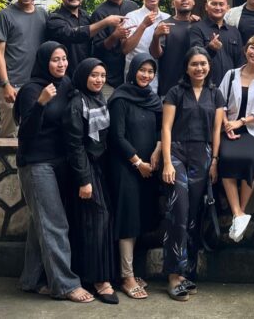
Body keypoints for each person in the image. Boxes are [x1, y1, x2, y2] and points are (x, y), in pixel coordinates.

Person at [13, 41, 94, 303]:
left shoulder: (66, 84)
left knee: (41, 223)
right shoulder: (31, 89)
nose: (61, 64)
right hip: (36, 163)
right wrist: (40, 103)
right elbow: (25, 133)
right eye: (55, 60)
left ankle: (32, 279)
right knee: (55, 223)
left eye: (64, 59)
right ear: (44, 62)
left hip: (59, 161)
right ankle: (65, 285)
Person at [161, 47, 225, 301]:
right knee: (178, 210)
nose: (199, 68)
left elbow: (217, 131)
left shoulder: (215, 94)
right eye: (194, 64)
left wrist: (215, 161)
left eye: (203, 64)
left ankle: (187, 272)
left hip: (203, 155)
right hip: (177, 153)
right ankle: (173, 275)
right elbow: (166, 128)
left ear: (209, 66)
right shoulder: (175, 92)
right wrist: (167, 162)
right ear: (186, 68)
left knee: (194, 216)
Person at [107, 53, 163, 300]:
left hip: (148, 168)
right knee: (127, 220)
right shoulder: (120, 98)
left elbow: (161, 129)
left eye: (151, 71)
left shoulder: (153, 99)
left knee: (141, 218)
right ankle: (127, 277)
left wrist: (157, 151)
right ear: (133, 71)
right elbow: (116, 136)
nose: (146, 75)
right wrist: (137, 162)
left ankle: (130, 272)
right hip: (125, 168)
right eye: (142, 70)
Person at [63, 58, 118, 304]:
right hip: (84, 171)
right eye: (94, 75)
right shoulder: (77, 103)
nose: (99, 80)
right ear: (84, 75)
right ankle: (99, 280)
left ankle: (99, 276)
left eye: (102, 75)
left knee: (100, 221)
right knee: (97, 220)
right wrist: (84, 180)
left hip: (99, 168)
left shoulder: (99, 99)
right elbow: (74, 145)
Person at [218, 35, 254, 242]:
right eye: (253, 47)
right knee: (225, 156)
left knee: (250, 158)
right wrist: (226, 123)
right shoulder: (231, 74)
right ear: (245, 50)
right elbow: (220, 103)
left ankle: (240, 212)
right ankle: (239, 214)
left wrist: (241, 122)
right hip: (229, 128)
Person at [0, 0, 47, 137]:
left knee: (37, 134)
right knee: (10, 136)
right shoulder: (5, 15)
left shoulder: (43, 14)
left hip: (37, 85)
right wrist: (6, 84)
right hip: (13, 85)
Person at [46, 0, 126, 76]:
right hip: (64, 76)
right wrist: (106, 22)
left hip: (87, 76)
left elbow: (96, 46)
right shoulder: (54, 18)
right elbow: (72, 35)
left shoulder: (85, 16)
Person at [91, 0, 139, 99]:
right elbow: (98, 48)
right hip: (109, 78)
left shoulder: (133, 7)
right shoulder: (99, 13)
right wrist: (115, 36)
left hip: (132, 73)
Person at [121, 0, 171, 93]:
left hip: (161, 79)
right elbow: (125, 49)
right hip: (135, 79)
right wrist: (143, 25)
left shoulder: (168, 18)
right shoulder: (131, 17)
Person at [151, 0, 196, 98]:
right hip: (169, 89)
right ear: (172, 3)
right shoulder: (165, 25)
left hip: (196, 89)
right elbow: (156, 54)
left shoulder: (199, 25)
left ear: (193, 1)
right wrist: (156, 36)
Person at [190, 0, 244, 84]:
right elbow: (195, 57)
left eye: (221, 4)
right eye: (214, 4)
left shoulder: (234, 31)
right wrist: (210, 48)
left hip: (230, 85)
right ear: (206, 6)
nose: (218, 7)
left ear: (227, 8)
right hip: (205, 85)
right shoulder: (197, 28)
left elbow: (240, 61)